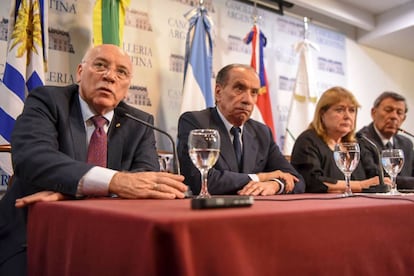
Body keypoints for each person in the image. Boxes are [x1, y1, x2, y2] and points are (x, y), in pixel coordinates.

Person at [0, 44, 188, 275]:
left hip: (108, 237)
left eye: (121, 72)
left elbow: (144, 180)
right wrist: (115, 182)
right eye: (100, 65)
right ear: (80, 72)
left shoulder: (139, 122)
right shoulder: (48, 100)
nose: (110, 76)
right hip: (33, 233)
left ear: (127, 88)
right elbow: (33, 158)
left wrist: (71, 192)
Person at [177, 64, 305, 196]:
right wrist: (260, 178)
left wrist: (276, 184)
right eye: (239, 89)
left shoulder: (262, 132)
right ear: (218, 92)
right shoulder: (196, 122)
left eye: (254, 92)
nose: (248, 100)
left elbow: (297, 180)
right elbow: (201, 181)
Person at [290, 86, 390, 193]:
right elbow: (313, 182)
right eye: (340, 110)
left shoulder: (358, 143)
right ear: (322, 114)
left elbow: (374, 175)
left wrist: (383, 181)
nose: (347, 116)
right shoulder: (308, 141)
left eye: (352, 110)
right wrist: (361, 185)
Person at [357, 91, 414, 188]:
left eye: (399, 113)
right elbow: (377, 177)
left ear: (403, 118)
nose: (394, 116)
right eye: (388, 110)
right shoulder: (362, 139)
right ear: (373, 113)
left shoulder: (406, 143)